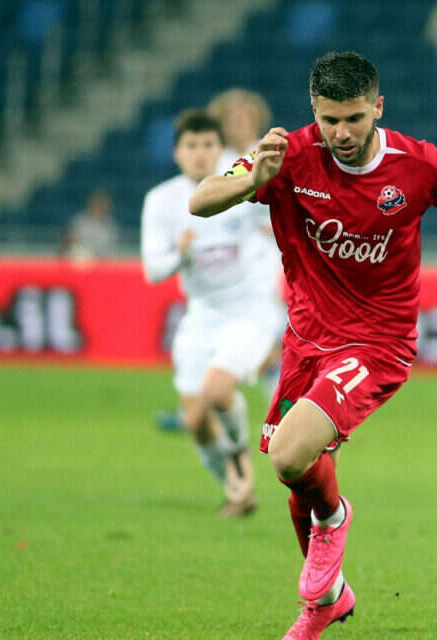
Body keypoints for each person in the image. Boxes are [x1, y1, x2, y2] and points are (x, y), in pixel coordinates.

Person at [189, 51, 437, 639]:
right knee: (298, 476)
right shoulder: (287, 155)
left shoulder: (417, 162)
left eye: (354, 118)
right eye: (329, 120)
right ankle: (326, 603)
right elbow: (200, 199)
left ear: (378, 107)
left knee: (289, 455)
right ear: (314, 111)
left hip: (378, 344)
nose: (342, 133)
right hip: (306, 341)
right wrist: (252, 179)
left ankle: (334, 519)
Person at [142, 109, 282, 518]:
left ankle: (238, 456)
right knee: (196, 420)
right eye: (191, 146)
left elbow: (279, 217)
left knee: (219, 390)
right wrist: (179, 253)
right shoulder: (162, 201)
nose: (200, 153)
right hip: (202, 314)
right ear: (177, 152)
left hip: (251, 310)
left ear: (221, 149)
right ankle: (238, 490)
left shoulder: (241, 184)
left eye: (208, 145)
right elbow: (153, 270)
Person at [156, 89, 287, 433]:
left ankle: (282, 416)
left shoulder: (270, 153)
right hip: (227, 266)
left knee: (276, 346)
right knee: (234, 344)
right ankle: (203, 407)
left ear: (258, 119)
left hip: (269, 264)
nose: (239, 123)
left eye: (245, 116)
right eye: (232, 118)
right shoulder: (218, 161)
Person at [62, 190, 118, 259]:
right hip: (82, 258)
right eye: (97, 203)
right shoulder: (79, 221)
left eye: (102, 204)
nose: (100, 206)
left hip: (103, 259)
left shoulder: (111, 224)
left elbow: (111, 246)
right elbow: (69, 241)